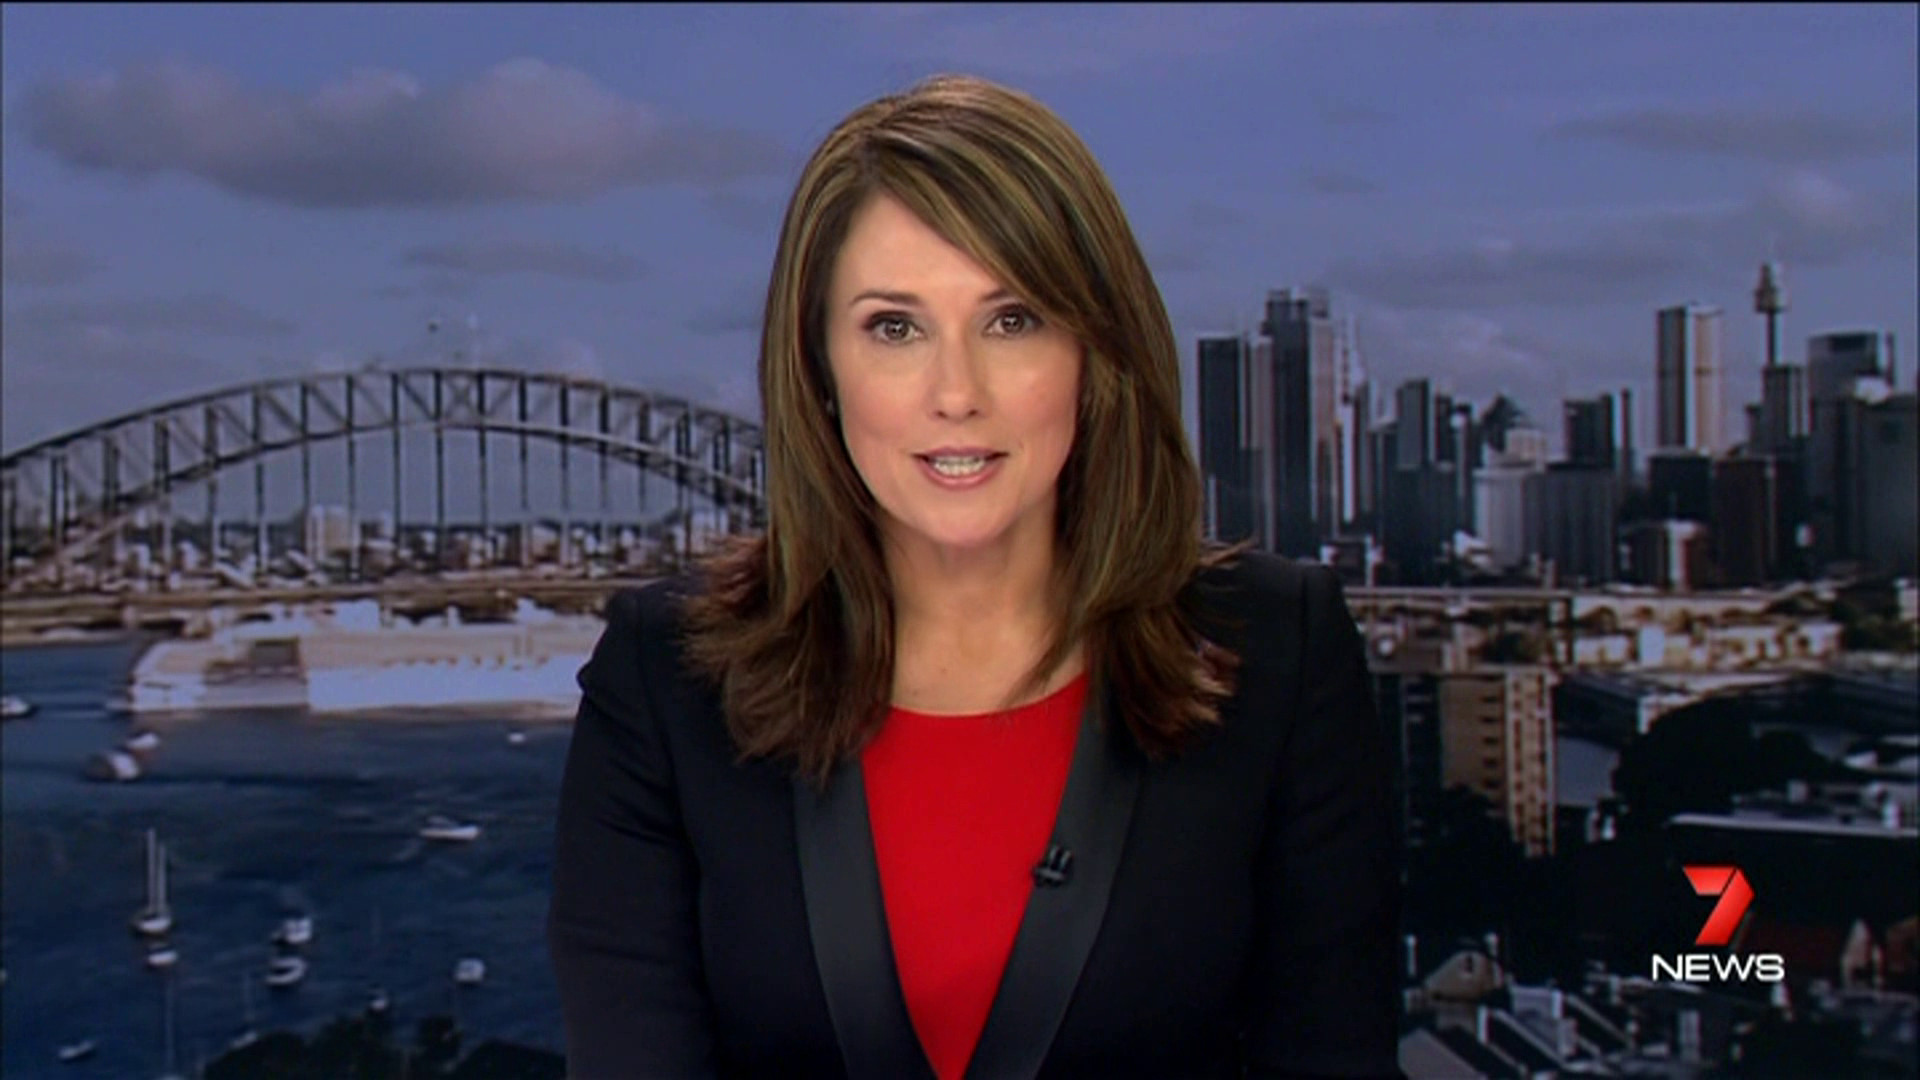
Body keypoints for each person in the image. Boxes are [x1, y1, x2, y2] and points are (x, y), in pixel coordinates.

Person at [548, 73, 1404, 1080]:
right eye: (894, 328)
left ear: (1095, 351)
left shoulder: (1280, 652)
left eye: (1013, 320)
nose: (956, 393)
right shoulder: (666, 677)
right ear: (818, 369)